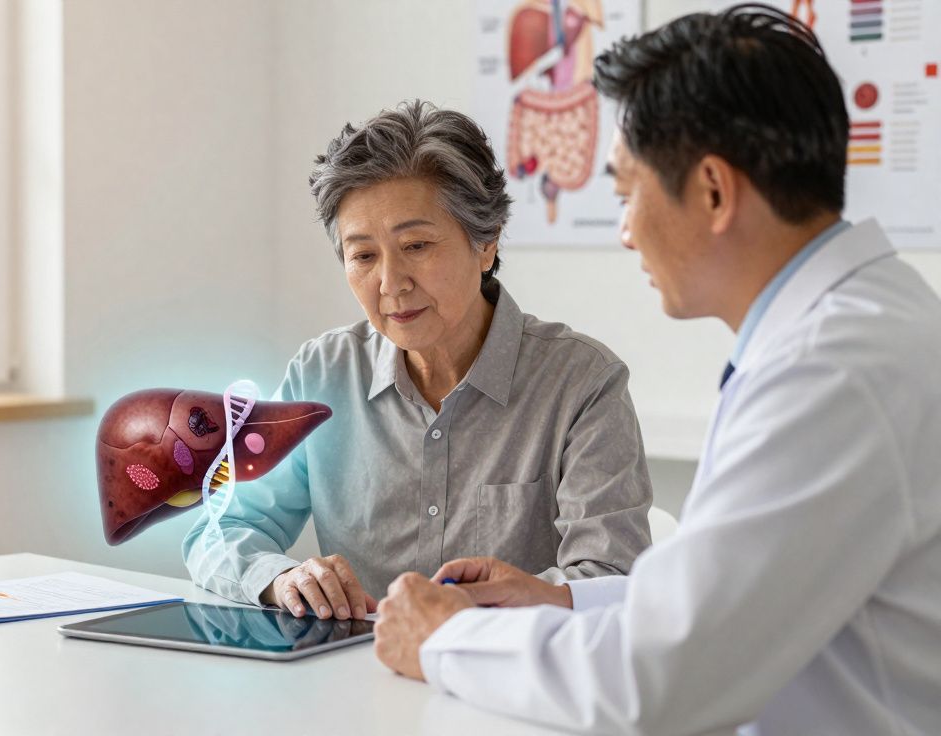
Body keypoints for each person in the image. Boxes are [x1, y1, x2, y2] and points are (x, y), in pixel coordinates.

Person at [373, 6, 941, 734]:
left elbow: (659, 679)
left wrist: (445, 640)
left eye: (625, 193)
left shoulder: (831, 373)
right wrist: (564, 600)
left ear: (713, 191)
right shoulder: (857, 327)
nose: (625, 231)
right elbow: (731, 599)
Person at [183, 100, 652, 621]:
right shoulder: (322, 375)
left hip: (511, 666)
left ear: (486, 243)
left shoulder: (583, 384)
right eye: (364, 255)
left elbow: (609, 579)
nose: (391, 283)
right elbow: (221, 529)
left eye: (417, 245)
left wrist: (465, 611)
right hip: (354, 666)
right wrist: (281, 578)